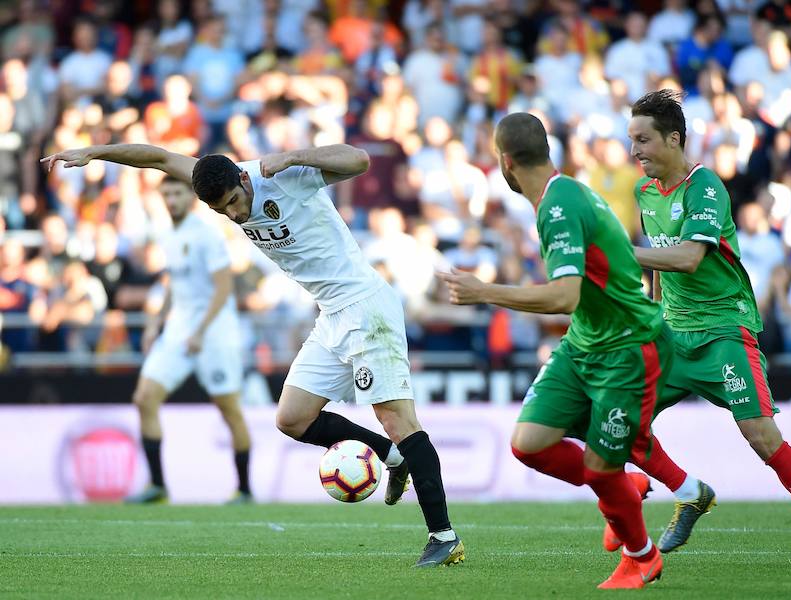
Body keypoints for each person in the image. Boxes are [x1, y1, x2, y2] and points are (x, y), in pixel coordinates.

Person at [42, 142, 464, 568]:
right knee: (292, 419)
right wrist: (94, 153)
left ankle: (443, 536)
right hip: (332, 314)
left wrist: (296, 156)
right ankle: (392, 457)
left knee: (397, 419)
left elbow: (360, 160)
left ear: (244, 181)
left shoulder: (284, 176)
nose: (234, 215)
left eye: (234, 203)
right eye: (221, 210)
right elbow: (158, 158)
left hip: (365, 305)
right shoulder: (220, 179)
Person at [625, 89, 791, 568]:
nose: (635, 150)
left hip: (723, 331)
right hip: (673, 334)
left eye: (644, 140)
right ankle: (688, 494)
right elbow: (660, 267)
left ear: (674, 139)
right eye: (631, 139)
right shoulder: (645, 193)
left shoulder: (704, 185)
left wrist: (618, 254)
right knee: (620, 418)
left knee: (762, 438)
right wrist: (649, 320)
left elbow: (689, 258)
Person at [438, 112, 669, 590]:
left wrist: (485, 291)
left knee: (603, 465)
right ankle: (624, 489)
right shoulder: (560, 195)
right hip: (585, 342)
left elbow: (564, 296)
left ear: (504, 161)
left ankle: (642, 556)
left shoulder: (559, 206)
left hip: (626, 348)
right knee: (529, 443)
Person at [111, 176, 252, 504]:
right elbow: (175, 283)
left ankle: (245, 490)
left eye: (177, 193)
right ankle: (158, 486)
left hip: (214, 333)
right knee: (145, 398)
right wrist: (155, 324)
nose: (171, 200)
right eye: (167, 194)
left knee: (229, 409)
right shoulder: (166, 233)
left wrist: (201, 331)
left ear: (190, 198)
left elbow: (223, 288)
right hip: (179, 331)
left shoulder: (207, 234)